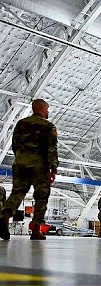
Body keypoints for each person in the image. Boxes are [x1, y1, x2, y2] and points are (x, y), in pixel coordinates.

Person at [0, 99, 60, 241]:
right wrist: (54, 169)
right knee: (41, 198)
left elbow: (15, 145)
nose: (47, 112)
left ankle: (4, 216)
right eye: (47, 110)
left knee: (17, 194)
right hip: (40, 167)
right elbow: (52, 150)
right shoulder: (48, 126)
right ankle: (36, 231)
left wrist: (21, 158)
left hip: (20, 164)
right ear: (43, 109)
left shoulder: (21, 124)